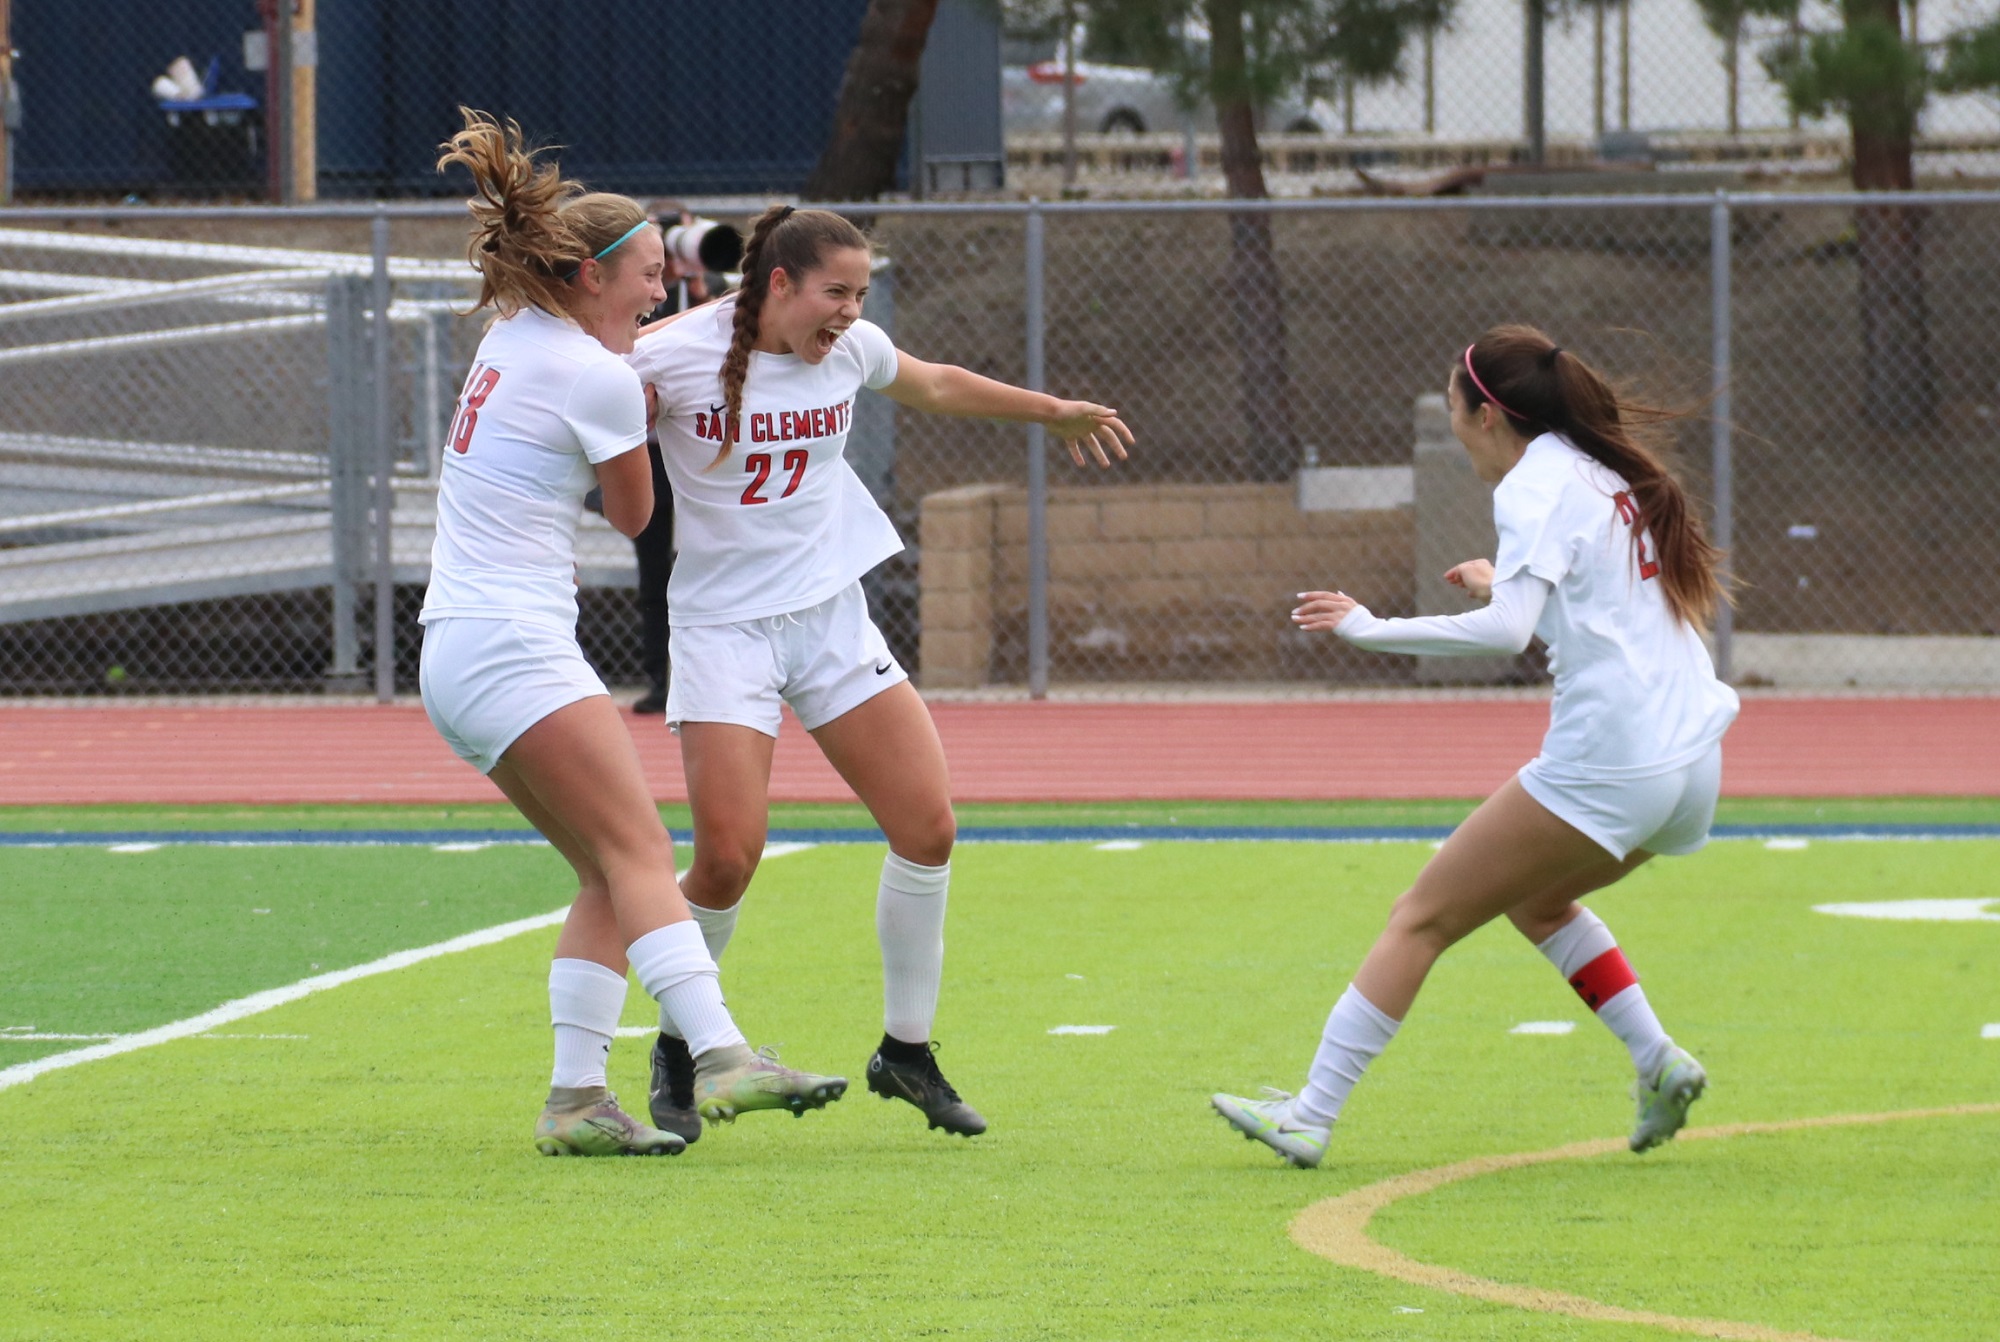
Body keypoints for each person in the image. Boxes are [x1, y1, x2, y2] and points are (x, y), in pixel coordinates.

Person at [625, 205, 1134, 1142]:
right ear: (778, 284)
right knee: (728, 858)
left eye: (861, 294)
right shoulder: (671, 356)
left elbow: (934, 385)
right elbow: (580, 409)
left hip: (828, 619)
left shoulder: (851, 348)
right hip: (723, 631)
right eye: (835, 293)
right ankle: (680, 1047)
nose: (850, 313)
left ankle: (906, 1052)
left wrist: (1051, 412)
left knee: (928, 827)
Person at [420, 112, 845, 1157]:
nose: (663, 294)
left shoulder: (512, 333)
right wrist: (654, 407)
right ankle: (722, 1054)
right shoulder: (597, 373)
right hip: (511, 643)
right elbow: (635, 516)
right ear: (582, 275)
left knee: (608, 874)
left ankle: (573, 1100)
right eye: (647, 275)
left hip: (460, 648)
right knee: (645, 850)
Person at [1212, 326, 1738, 1168]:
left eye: (1454, 405)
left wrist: (1368, 627)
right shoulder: (1604, 473)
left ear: (1486, 414)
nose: (1454, 425)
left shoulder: (1532, 485)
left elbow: (1505, 635)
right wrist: (1508, 584)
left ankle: (1310, 1114)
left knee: (1420, 918)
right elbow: (1592, 602)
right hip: (1691, 765)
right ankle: (1656, 1059)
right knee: (1536, 903)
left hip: (1614, 761)